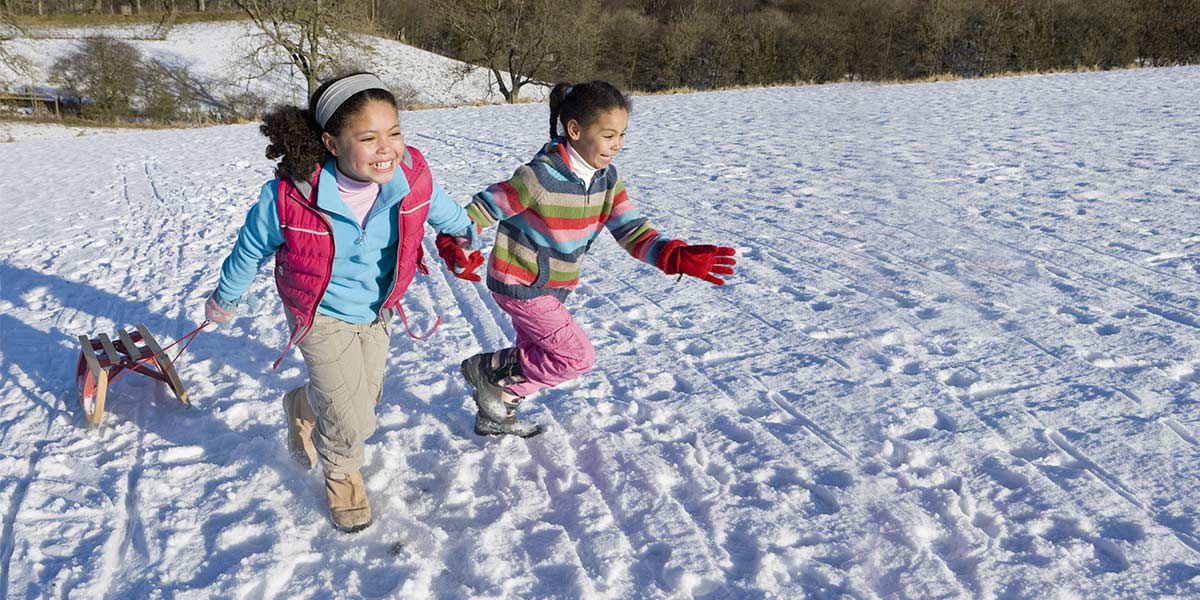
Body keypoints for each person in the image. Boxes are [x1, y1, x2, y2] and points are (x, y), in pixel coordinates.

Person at [204, 72, 483, 533]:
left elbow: (440, 207)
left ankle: (303, 405)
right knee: (350, 417)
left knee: (364, 400)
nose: (387, 148)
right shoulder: (291, 196)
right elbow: (250, 248)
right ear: (332, 143)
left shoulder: (410, 176)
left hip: (377, 309)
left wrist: (464, 231)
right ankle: (342, 477)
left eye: (394, 133)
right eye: (368, 138)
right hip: (318, 313)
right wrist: (225, 297)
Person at [456, 80, 737, 438]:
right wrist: (458, 240)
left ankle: (496, 411)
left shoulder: (607, 180)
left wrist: (673, 255)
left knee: (537, 352)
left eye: (621, 134)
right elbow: (485, 205)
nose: (617, 144)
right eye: (608, 135)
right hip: (520, 282)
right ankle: (488, 370)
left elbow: (631, 230)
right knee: (574, 356)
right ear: (575, 130)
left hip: (555, 286)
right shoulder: (539, 176)